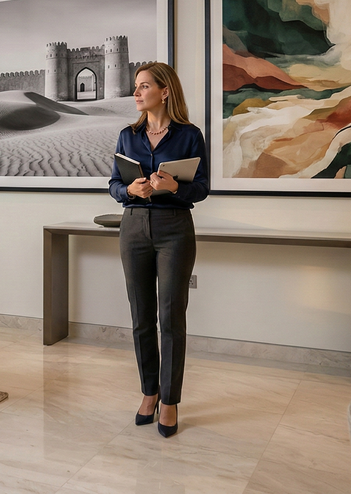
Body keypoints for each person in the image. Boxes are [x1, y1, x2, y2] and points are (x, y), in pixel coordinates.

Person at [108, 61, 209, 438]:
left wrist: (173, 187)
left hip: (174, 229)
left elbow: (201, 187)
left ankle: (170, 400)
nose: (136, 93)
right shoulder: (127, 135)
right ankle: (148, 392)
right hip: (133, 227)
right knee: (140, 317)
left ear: (164, 91)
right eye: (135, 86)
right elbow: (114, 183)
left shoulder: (189, 135)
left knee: (171, 318)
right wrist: (128, 190)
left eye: (143, 86)